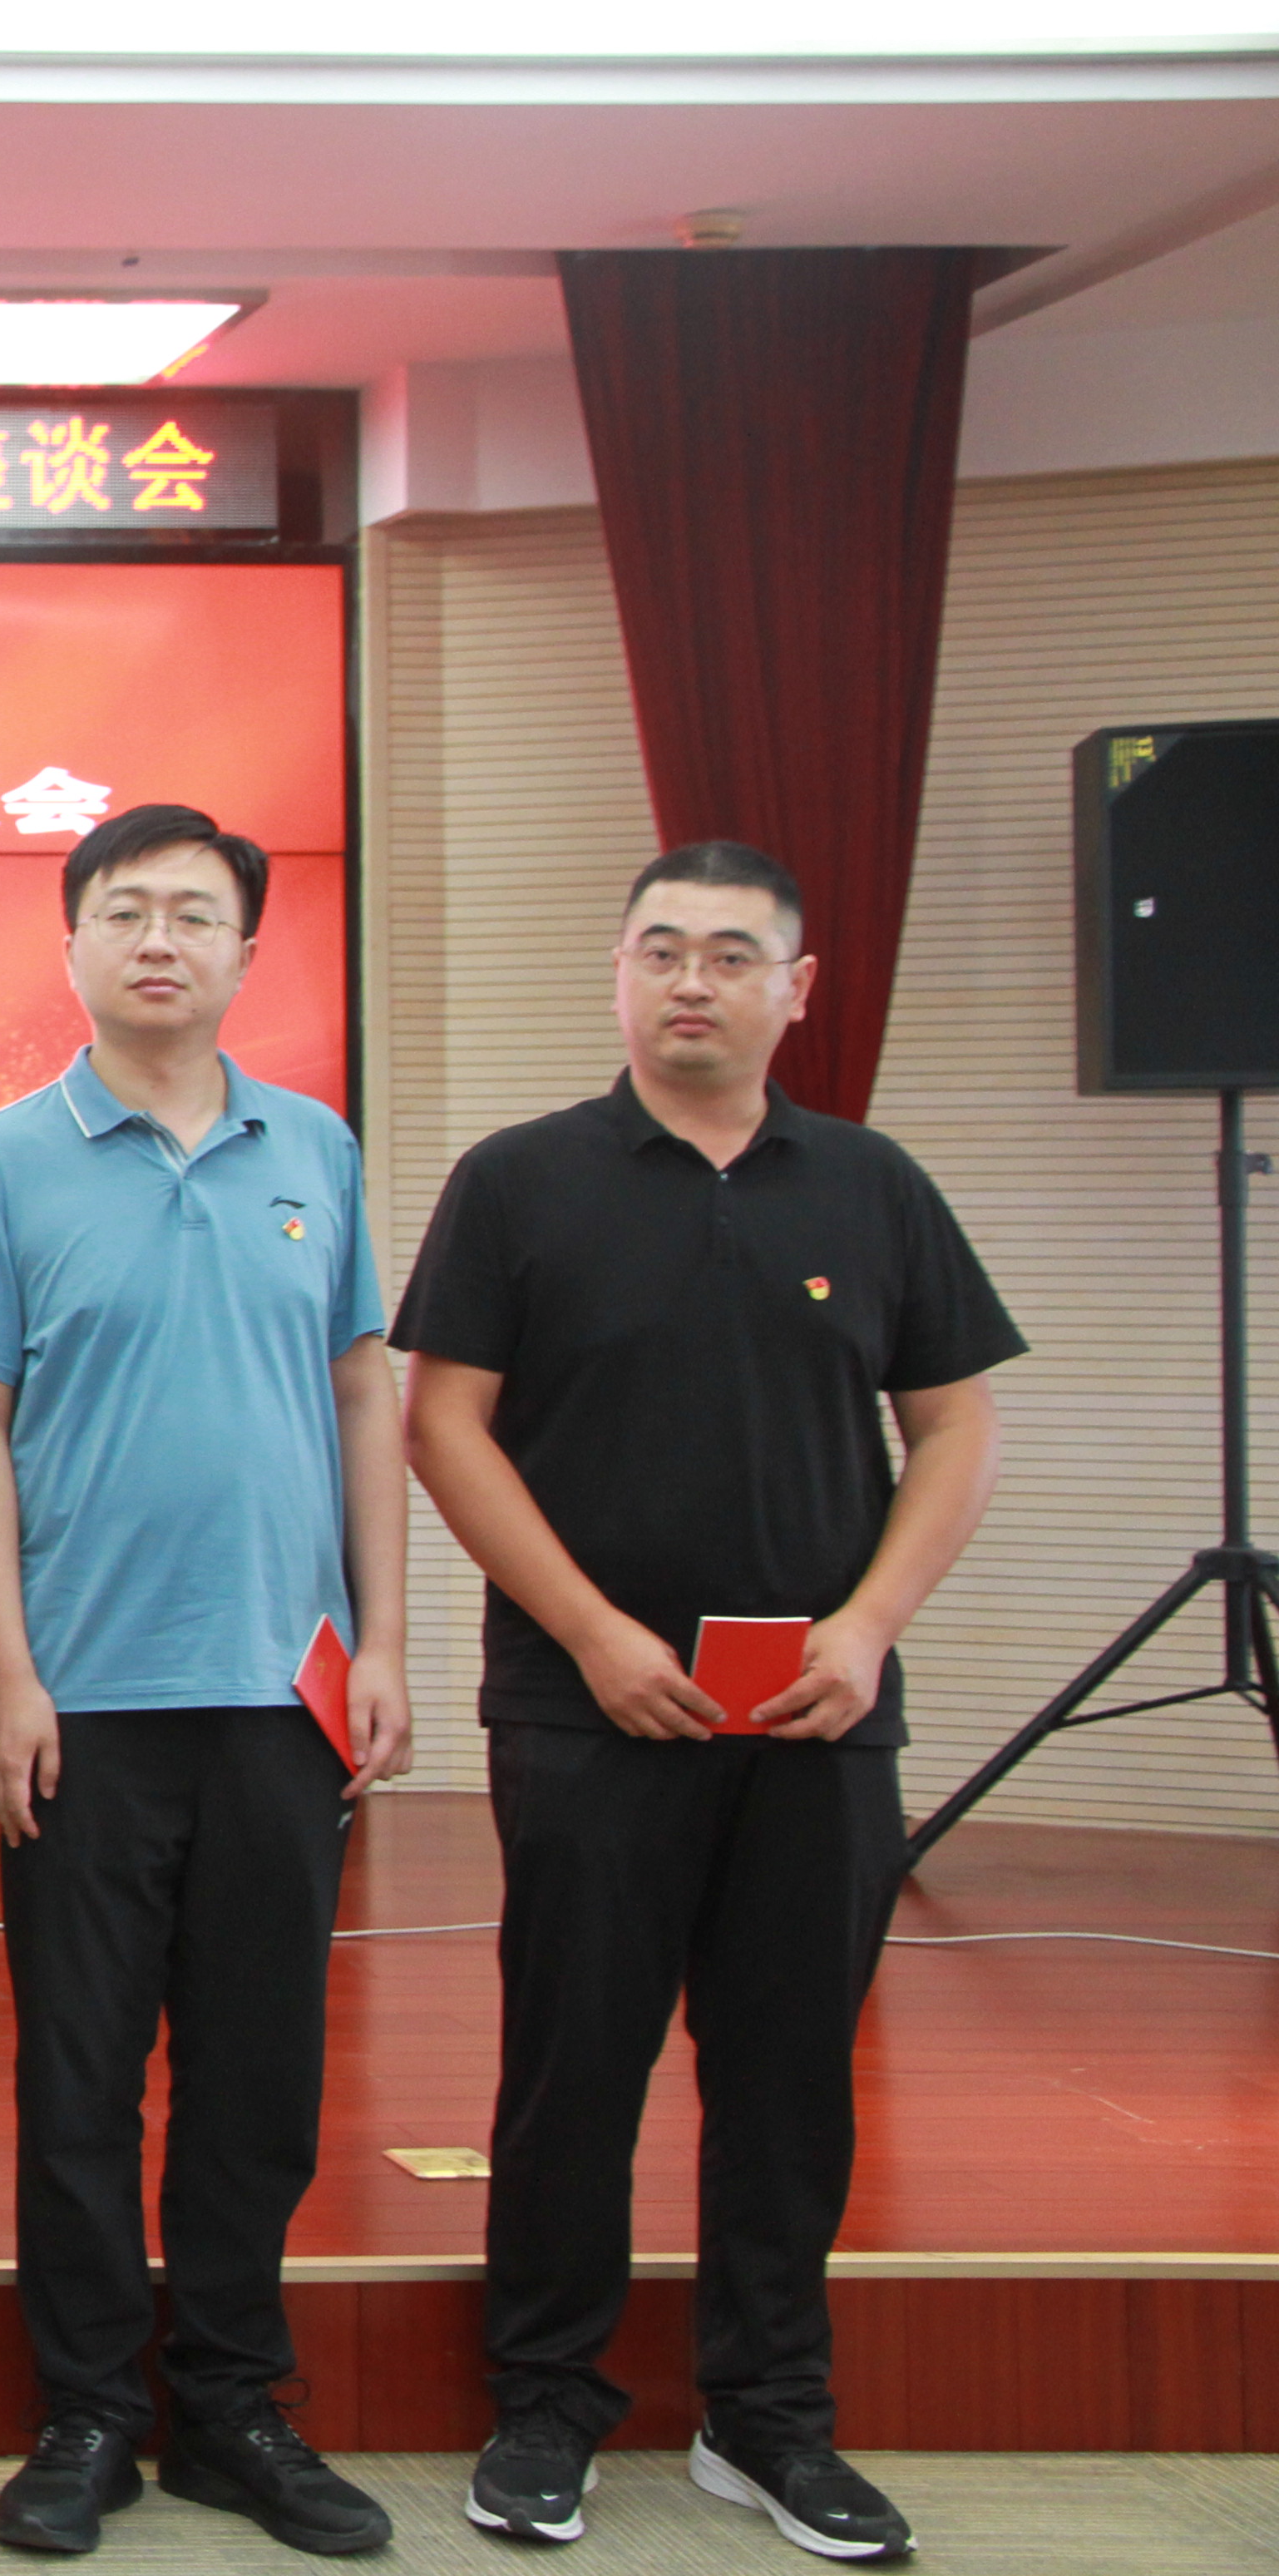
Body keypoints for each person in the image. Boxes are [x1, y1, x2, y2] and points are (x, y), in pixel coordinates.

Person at [398, 843, 1015, 2565]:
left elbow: (953, 1425)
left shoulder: (871, 1185)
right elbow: (442, 1422)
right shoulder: (519, 1180)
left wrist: (869, 1625)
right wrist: (592, 1633)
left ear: (793, 990)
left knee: (789, 2076)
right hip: (587, 1709)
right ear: (616, 974)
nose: (690, 981)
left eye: (730, 955)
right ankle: (545, 2406)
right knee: (571, 2067)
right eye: (660, 949)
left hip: (818, 1716)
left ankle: (769, 2419)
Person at [0, 805, 408, 2561]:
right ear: (70, 945)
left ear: (244, 953)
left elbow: (360, 1392)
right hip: (82, 1699)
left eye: (194, 915)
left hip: (283, 1689)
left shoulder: (314, 1147)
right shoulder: (0, 1164)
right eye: (124, 912)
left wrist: (386, 1639)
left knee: (258, 2074)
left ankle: (232, 2406)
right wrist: (2, 1671)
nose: (158, 941)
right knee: (79, 2075)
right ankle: (86, 2412)